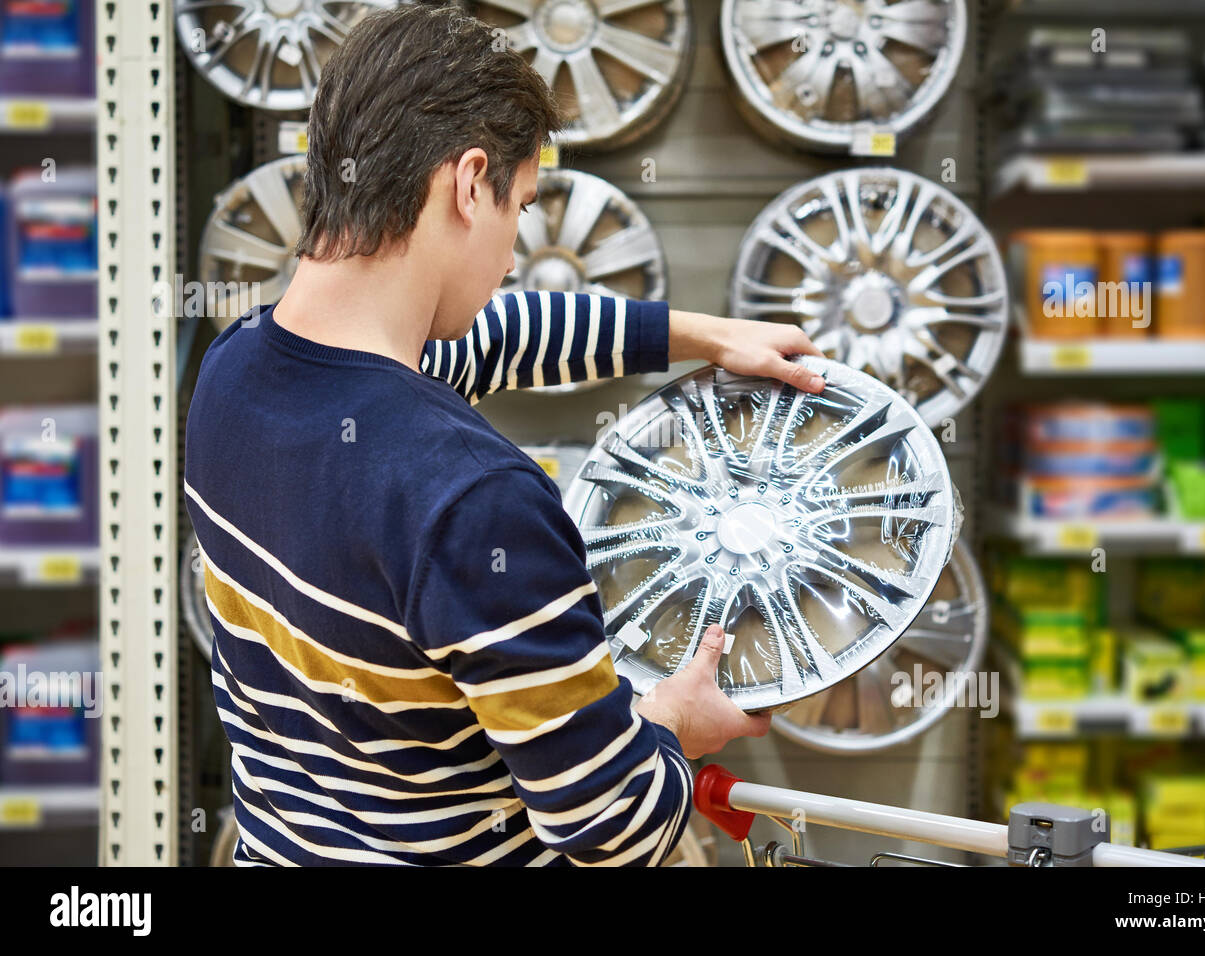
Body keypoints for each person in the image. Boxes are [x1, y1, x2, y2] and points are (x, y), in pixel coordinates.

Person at [183, 2, 826, 866]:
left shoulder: (234, 371)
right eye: (520, 210)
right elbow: (611, 826)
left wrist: (707, 337)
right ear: (466, 181)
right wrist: (678, 722)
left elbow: (495, 334)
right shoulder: (474, 500)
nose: (515, 256)